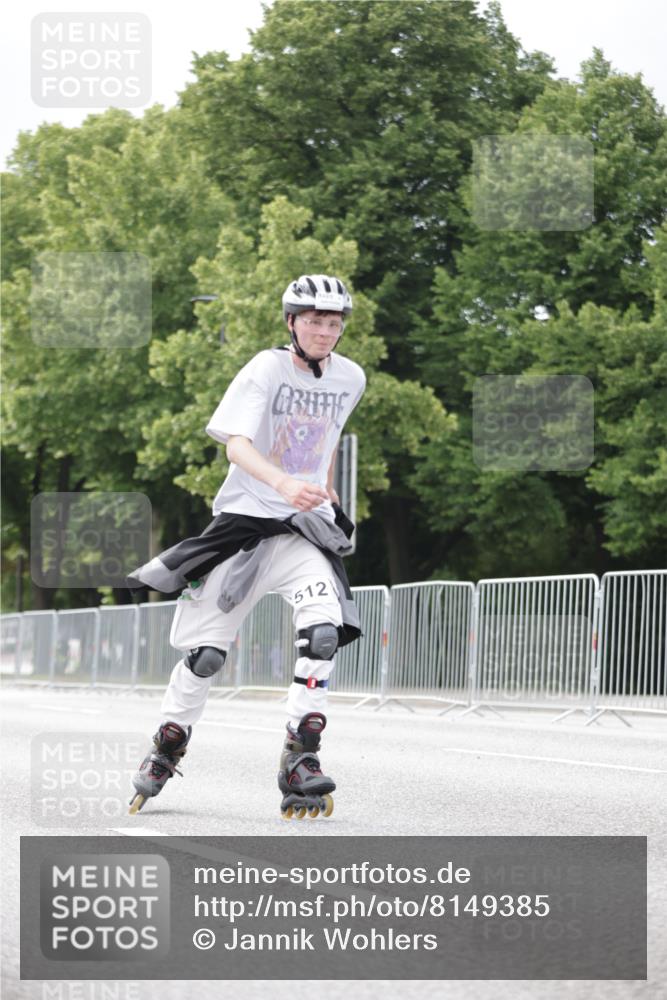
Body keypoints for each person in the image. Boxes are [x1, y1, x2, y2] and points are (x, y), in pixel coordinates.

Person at [128, 274, 366, 819]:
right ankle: (168, 743)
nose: (325, 332)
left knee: (323, 634)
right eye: (314, 321)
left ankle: (300, 754)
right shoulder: (265, 367)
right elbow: (237, 446)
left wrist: (320, 482)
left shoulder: (351, 377)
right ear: (291, 322)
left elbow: (324, 435)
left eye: (334, 323)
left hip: (303, 529)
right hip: (245, 529)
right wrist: (282, 482)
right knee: (207, 657)